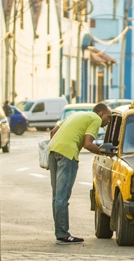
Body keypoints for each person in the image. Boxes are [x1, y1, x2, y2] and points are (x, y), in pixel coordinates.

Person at [47, 103, 112, 245]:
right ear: (101, 113)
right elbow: (88, 144)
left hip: (53, 151)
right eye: (108, 116)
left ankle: (60, 233)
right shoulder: (95, 119)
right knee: (62, 196)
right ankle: (63, 235)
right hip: (68, 154)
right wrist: (105, 152)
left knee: (56, 196)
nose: (109, 120)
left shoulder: (76, 114)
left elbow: (53, 132)